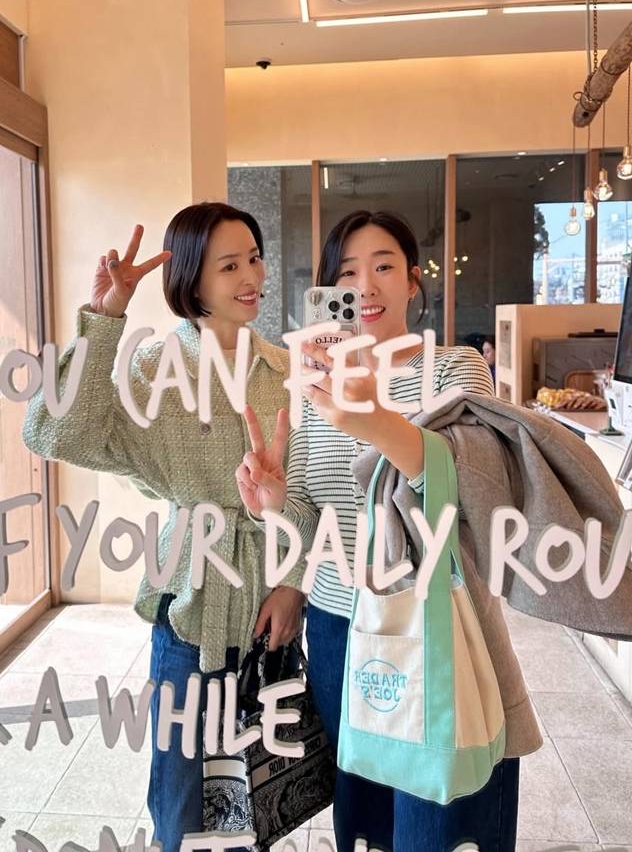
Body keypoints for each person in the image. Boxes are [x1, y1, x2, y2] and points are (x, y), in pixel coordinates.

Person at [21, 203, 305, 852]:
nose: (251, 276)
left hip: (272, 608)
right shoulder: (154, 369)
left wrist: (292, 583)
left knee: (263, 791)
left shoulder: (288, 371)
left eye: (254, 258)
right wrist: (105, 319)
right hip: (188, 607)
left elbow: (314, 488)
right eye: (228, 265)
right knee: (181, 797)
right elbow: (55, 433)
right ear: (191, 279)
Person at [236, 210, 522, 852]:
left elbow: (474, 490)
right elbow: (311, 517)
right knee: (365, 821)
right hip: (339, 627)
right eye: (346, 273)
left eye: (384, 267)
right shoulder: (313, 387)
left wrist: (372, 415)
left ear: (413, 282)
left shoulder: (453, 369)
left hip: (435, 622)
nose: (365, 286)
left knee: (437, 818)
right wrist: (273, 503)